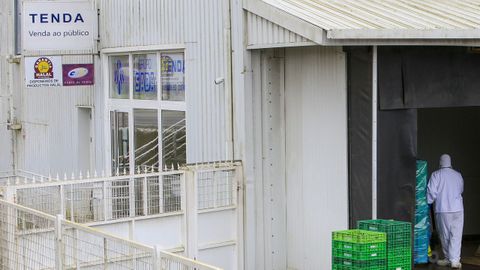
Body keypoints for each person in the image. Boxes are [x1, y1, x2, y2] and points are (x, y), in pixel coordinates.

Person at [427, 154, 464, 269]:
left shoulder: (436, 175)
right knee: (456, 235)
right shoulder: (458, 175)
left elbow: (431, 194)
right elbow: (461, 189)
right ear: (450, 162)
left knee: (445, 236)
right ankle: (454, 260)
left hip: (443, 210)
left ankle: (449, 258)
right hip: (458, 209)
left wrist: (429, 201)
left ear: (440, 162)